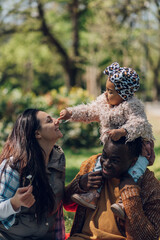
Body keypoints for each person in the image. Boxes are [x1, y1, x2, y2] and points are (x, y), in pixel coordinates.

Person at [59, 62, 155, 218]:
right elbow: (89, 111)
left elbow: (140, 123)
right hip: (113, 149)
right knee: (100, 165)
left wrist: (124, 131)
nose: (105, 94)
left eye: (110, 91)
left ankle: (125, 202)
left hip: (136, 148)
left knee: (135, 171)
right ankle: (93, 194)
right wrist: (71, 113)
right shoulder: (104, 103)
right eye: (106, 89)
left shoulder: (132, 106)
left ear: (124, 94)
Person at [64, 137, 160, 240]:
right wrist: (80, 184)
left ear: (133, 162)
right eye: (104, 155)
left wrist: (131, 195)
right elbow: (66, 203)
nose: (106, 164)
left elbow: (150, 237)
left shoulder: (150, 185)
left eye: (115, 160)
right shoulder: (92, 166)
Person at [0, 109, 66, 240]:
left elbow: (56, 204)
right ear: (37, 133)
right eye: (49, 120)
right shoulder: (15, 166)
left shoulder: (58, 158)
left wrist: (78, 186)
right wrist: (14, 203)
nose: (56, 120)